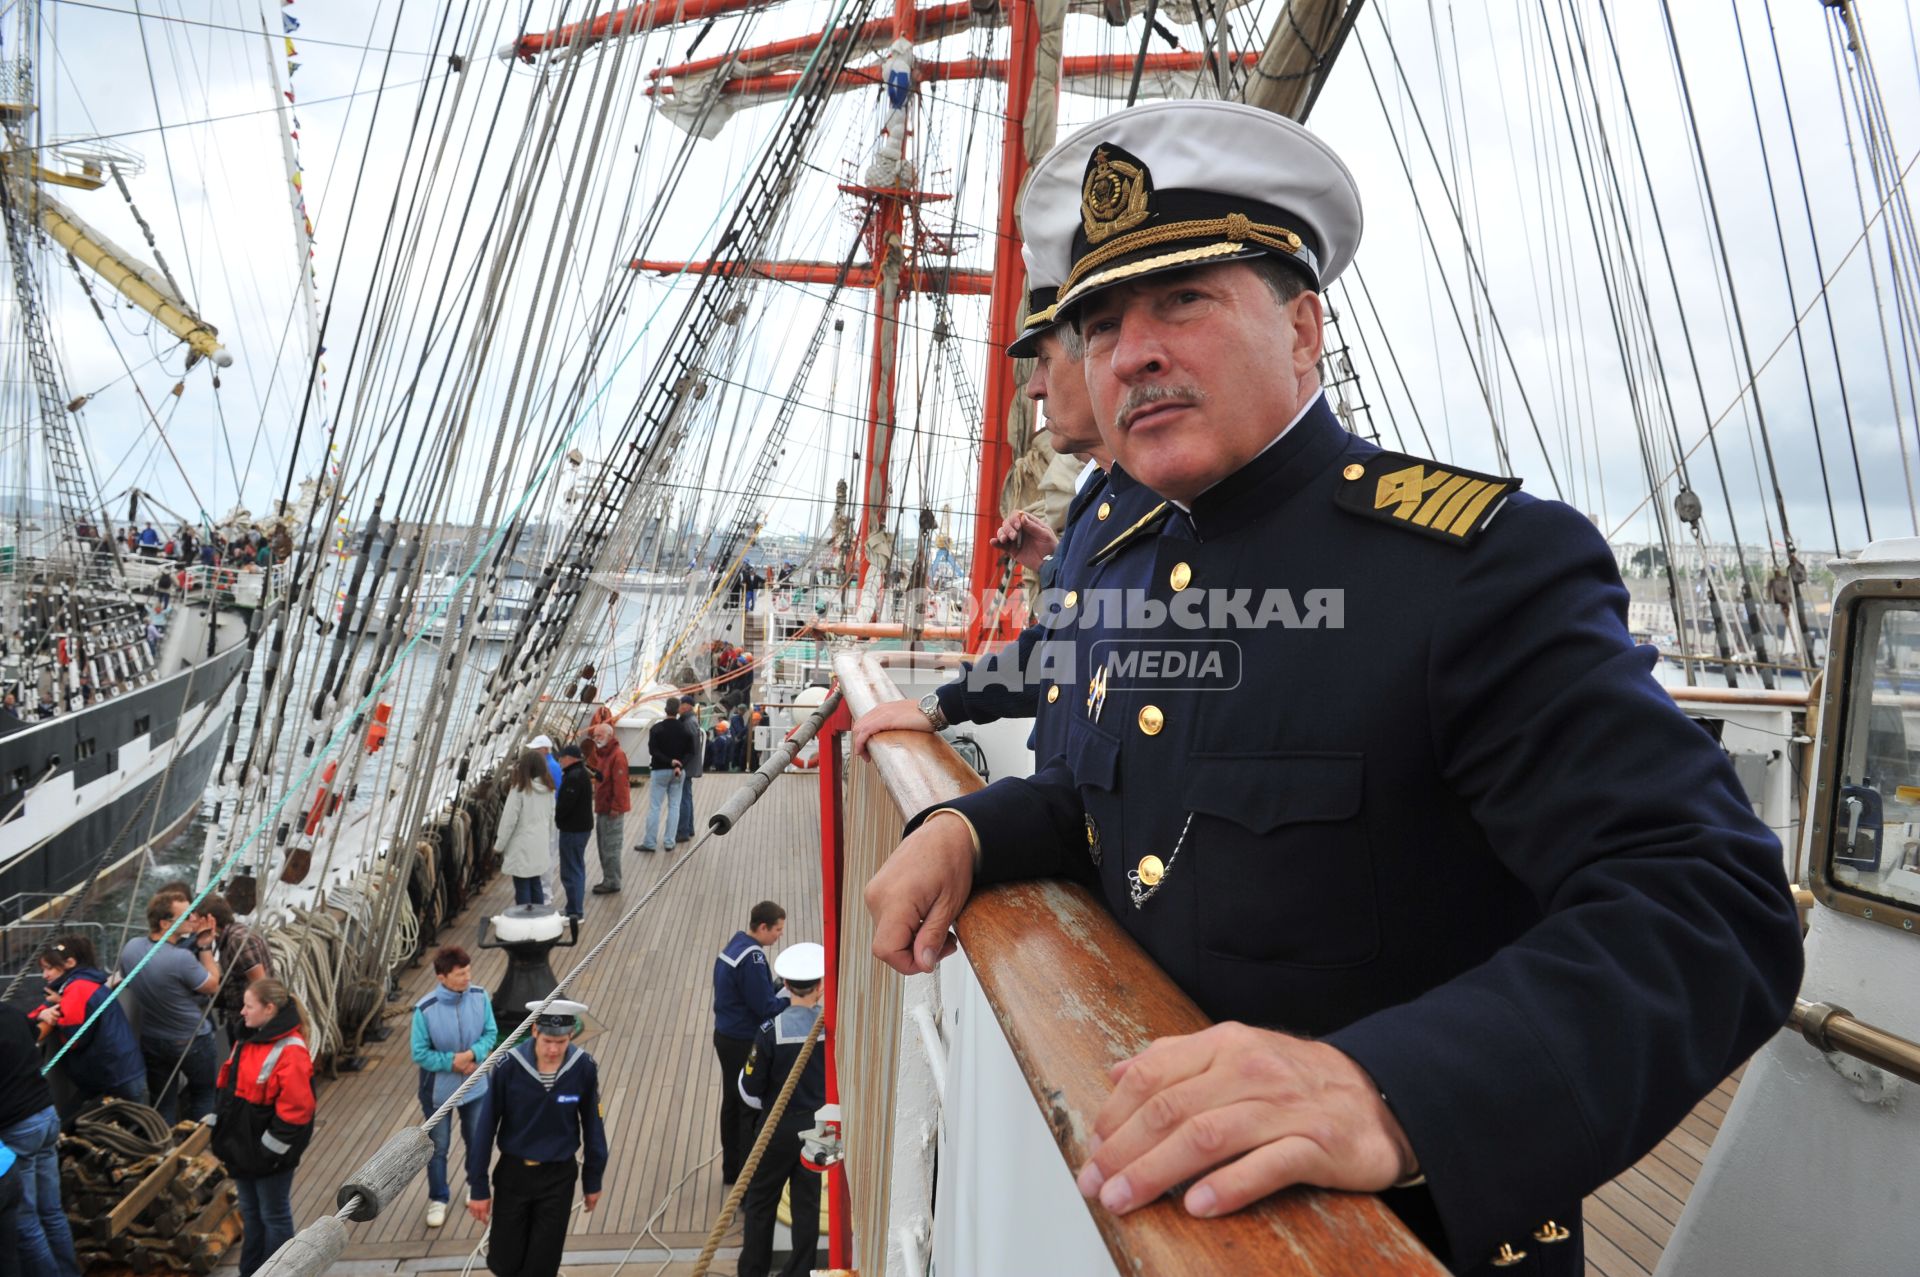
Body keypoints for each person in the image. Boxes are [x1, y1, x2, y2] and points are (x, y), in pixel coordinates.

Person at [862, 100, 1803, 1275]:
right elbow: (1115, 798)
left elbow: (1712, 902)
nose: (1132, 351)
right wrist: (968, 822)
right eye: (1101, 325)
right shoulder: (1133, 562)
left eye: (1183, 301)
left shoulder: (1471, 565)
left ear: (1305, 329)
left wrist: (1391, 1089)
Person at [850, 270, 1157, 768]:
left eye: (1044, 361)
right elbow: (1066, 646)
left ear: (1100, 361)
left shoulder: (1157, 502)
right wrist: (1058, 564)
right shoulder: (1101, 495)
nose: (1034, 389)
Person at [466, 1000, 609, 1277]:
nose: (554, 1049)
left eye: (561, 1041)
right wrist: (478, 1187)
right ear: (534, 1031)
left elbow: (593, 1127)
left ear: (570, 1036)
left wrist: (593, 1181)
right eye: (547, 1041)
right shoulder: (508, 1066)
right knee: (504, 1261)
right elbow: (485, 1128)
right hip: (513, 1175)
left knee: (542, 1264)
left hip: (558, 1178)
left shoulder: (584, 1069)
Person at [736, 942, 827, 1277]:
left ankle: (753, 1271)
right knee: (809, 1203)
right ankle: (801, 1270)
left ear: (785, 986)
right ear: (821, 985)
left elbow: (748, 1092)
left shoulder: (769, 1032)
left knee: (760, 1202)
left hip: (777, 1129)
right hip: (823, 1129)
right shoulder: (832, 1030)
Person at [211, 978, 313, 1277]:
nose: (242, 1012)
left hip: (268, 1156)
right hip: (243, 1151)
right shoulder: (246, 1040)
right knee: (252, 1215)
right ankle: (251, 1272)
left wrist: (268, 1152)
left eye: (248, 1006)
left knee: (274, 1215)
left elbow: (296, 1111)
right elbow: (227, 1087)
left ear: (269, 1009)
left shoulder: (290, 1050)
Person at [412, 947, 498, 1228]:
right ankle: (438, 1198)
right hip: (439, 1093)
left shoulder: (480, 997)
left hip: (475, 1086)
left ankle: (475, 1185)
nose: (467, 978)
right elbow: (420, 1052)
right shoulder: (425, 1009)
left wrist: (473, 1055)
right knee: (438, 1148)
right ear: (442, 977)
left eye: (468, 971)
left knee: (476, 1139)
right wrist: (452, 1062)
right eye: (460, 974)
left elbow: (491, 1033)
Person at [117, 891, 222, 1122]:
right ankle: (198, 1147)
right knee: (204, 1094)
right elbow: (212, 985)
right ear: (165, 923)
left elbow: (125, 978)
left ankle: (163, 1148)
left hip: (153, 1040)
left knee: (163, 1100)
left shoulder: (132, 948)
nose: (193, 919)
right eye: (186, 916)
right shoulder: (180, 959)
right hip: (192, 1039)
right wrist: (204, 947)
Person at [1, 1000, 80, 1277]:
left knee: (26, 1224)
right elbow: (36, 1034)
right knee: (53, 1212)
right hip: (46, 1115)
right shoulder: (11, 1013)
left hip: (17, 1129)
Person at [712, 901, 788, 1185]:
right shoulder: (753, 959)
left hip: (725, 1035)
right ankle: (748, 1178)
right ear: (764, 927)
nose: (779, 935)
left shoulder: (734, 947)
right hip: (743, 1041)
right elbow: (765, 1007)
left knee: (731, 1102)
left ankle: (731, 1170)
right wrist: (790, 998)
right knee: (748, 1106)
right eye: (778, 930)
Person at [36, 935, 147, 1120]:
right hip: (118, 1070)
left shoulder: (77, 988)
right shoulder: (84, 984)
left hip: (112, 1074)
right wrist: (47, 1011)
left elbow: (74, 1038)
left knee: (135, 1125)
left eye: (49, 968)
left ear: (70, 963)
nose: (44, 975)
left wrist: (55, 1017)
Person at [191, 893, 270, 1042]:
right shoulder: (229, 936)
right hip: (239, 1016)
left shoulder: (239, 941)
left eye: (195, 918)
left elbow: (261, 985)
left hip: (249, 1023)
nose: (191, 922)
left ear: (210, 920)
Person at [496, 750, 557, 906]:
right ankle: (539, 919)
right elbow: (551, 819)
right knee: (536, 882)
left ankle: (524, 921)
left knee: (522, 885)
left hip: (521, 847)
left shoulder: (519, 790)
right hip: (540, 844)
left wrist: (499, 846)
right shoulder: (549, 790)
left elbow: (508, 821)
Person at [636, 697, 690, 853]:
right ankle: (669, 842)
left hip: (659, 771)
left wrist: (669, 761)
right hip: (678, 772)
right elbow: (690, 752)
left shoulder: (657, 729)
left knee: (655, 807)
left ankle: (650, 842)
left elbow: (653, 751)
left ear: (666, 710)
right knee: (674, 806)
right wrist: (679, 764)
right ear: (678, 710)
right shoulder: (684, 729)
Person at [587, 723, 632, 895]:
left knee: (611, 846)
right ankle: (608, 878)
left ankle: (612, 881)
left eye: (599, 736)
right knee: (603, 845)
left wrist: (616, 807)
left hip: (611, 810)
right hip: (603, 807)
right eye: (595, 736)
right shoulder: (604, 755)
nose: (596, 739)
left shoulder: (617, 756)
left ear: (609, 736)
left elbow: (621, 784)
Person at [553, 742, 595, 919]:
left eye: (562, 758)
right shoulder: (580, 773)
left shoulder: (573, 777)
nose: (560, 761)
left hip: (573, 830)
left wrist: (558, 817)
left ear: (570, 759)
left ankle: (576, 912)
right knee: (575, 868)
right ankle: (572, 908)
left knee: (572, 870)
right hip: (579, 828)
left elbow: (566, 805)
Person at [675, 700, 705, 844]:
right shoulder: (691, 720)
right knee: (687, 797)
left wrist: (681, 764)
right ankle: (689, 828)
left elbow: (689, 748)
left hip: (687, 766)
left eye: (681, 705)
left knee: (684, 799)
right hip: (690, 766)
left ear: (686, 706)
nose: (678, 707)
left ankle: (683, 832)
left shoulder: (688, 723)